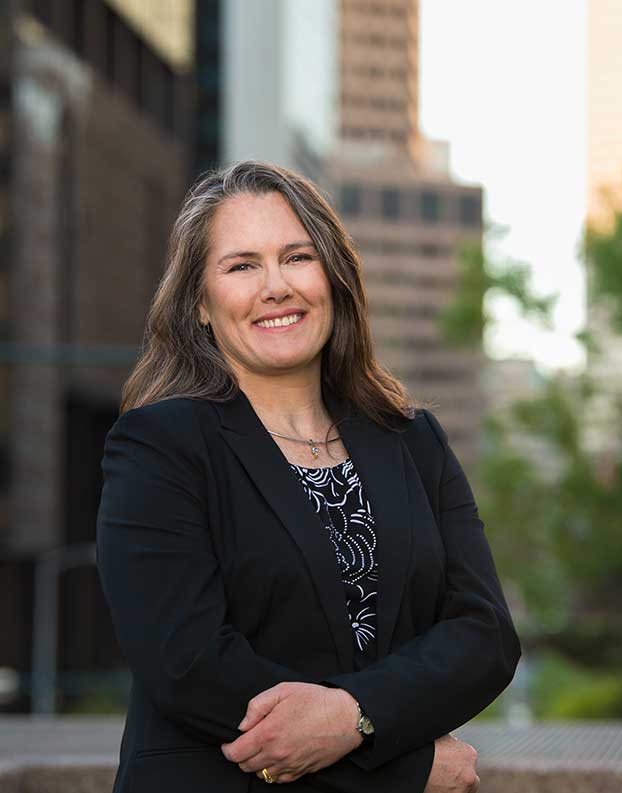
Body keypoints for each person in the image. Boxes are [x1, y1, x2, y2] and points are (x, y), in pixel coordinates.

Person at [96, 160, 522, 793]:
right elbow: (187, 664)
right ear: (201, 306)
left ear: (334, 278)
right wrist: (400, 766)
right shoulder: (160, 447)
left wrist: (357, 716)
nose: (275, 286)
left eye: (297, 257)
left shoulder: (413, 441)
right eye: (242, 266)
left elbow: (483, 634)